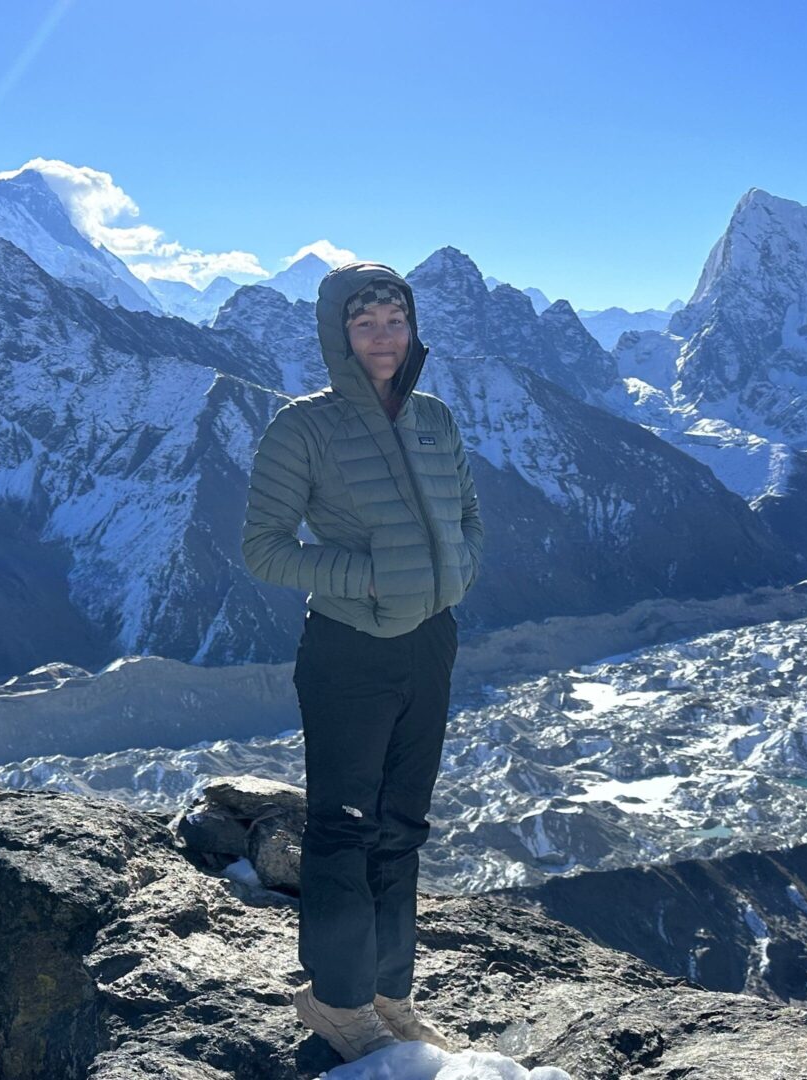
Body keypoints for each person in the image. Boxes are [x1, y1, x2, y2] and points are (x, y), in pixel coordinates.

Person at [240, 261, 484, 1062]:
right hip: (349, 649)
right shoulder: (301, 428)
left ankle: (387, 992)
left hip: (430, 640)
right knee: (345, 828)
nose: (383, 334)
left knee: (402, 827)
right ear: (336, 334)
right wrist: (370, 577)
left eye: (395, 318)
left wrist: (459, 567)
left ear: (412, 329)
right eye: (364, 321)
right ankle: (338, 1000)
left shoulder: (435, 417)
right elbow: (265, 551)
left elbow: (467, 510)